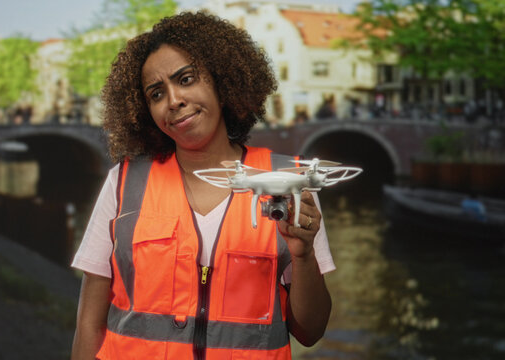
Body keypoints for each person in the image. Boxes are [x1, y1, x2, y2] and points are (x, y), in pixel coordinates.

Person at [70, 12, 334, 360]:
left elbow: (310, 332)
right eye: (156, 93)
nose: (174, 100)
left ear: (222, 82)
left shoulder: (287, 180)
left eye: (187, 78)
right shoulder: (124, 182)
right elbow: (90, 325)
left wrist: (303, 256)